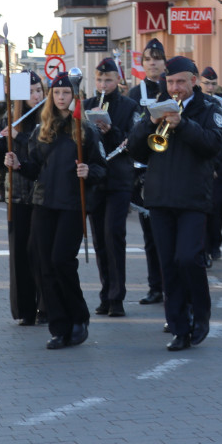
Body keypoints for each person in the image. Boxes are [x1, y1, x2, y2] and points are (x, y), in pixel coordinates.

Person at [128, 56, 222, 351]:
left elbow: (214, 145)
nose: (175, 88)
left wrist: (183, 125)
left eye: (181, 82)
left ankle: (201, 313)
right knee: (168, 265)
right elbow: (136, 150)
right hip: (159, 199)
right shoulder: (155, 108)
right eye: (170, 82)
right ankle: (179, 327)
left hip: (193, 198)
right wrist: (150, 122)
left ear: (194, 81)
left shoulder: (210, 109)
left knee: (188, 258)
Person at [16, 71, 107, 350]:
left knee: (61, 262)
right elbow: (33, 168)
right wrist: (17, 164)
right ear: (51, 96)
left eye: (66, 93)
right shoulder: (42, 129)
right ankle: (59, 326)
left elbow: (103, 168)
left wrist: (89, 170)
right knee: (45, 265)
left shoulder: (84, 129)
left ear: (73, 96)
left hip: (72, 204)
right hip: (44, 203)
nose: (61, 97)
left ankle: (78, 318)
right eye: (56, 93)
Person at [0, 71, 47, 326]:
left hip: (43, 196)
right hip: (18, 195)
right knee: (19, 255)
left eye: (40, 90)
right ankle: (25, 309)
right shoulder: (9, 119)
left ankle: (47, 307)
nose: (36, 95)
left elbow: (42, 155)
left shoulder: (49, 119)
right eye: (31, 91)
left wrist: (18, 139)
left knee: (42, 254)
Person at [84, 58, 141, 318]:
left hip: (118, 179)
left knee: (113, 235)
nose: (103, 85)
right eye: (99, 80)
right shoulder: (87, 105)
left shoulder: (130, 106)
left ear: (118, 80)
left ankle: (117, 297)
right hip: (95, 180)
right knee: (99, 239)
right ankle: (106, 293)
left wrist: (111, 130)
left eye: (108, 80)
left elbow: (134, 141)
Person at [128, 37, 168, 306]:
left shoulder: (172, 88)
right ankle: (156, 286)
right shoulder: (134, 94)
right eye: (148, 59)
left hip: (171, 168)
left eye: (157, 58)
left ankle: (175, 284)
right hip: (145, 169)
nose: (152, 63)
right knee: (151, 236)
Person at [199, 66, 222, 265]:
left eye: (213, 83)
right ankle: (203, 248)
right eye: (207, 83)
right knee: (203, 207)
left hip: (220, 162)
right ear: (199, 83)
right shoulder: (195, 103)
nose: (210, 87)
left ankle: (215, 242)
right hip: (202, 163)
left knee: (219, 205)